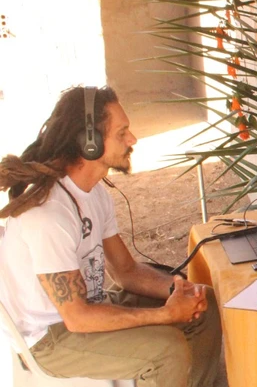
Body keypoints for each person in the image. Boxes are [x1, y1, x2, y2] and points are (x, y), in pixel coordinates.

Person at [0, 87, 222, 387]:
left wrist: (179, 288)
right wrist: (165, 314)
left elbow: (126, 272)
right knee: (166, 351)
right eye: (122, 133)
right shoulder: (48, 213)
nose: (133, 140)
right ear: (88, 143)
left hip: (88, 308)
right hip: (50, 338)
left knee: (203, 302)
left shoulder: (95, 194)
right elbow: (77, 318)